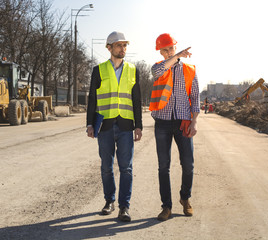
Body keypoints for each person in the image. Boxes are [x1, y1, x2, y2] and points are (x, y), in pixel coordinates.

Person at [86, 31, 143, 222]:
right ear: (109, 48)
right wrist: (89, 124)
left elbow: (136, 99)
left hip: (126, 125)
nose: (123, 48)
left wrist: (139, 125)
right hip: (105, 125)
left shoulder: (133, 70)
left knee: (126, 168)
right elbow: (92, 99)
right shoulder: (98, 70)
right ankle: (109, 201)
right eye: (119, 45)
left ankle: (124, 207)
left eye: (125, 45)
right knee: (106, 167)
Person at [149, 33, 200, 221]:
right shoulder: (158, 68)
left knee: (188, 164)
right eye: (166, 49)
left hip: (183, 122)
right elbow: (158, 71)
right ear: (161, 52)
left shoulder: (189, 70)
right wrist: (177, 56)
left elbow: (195, 98)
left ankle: (185, 198)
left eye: (172, 48)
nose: (170, 51)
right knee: (164, 166)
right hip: (162, 122)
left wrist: (194, 121)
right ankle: (166, 206)